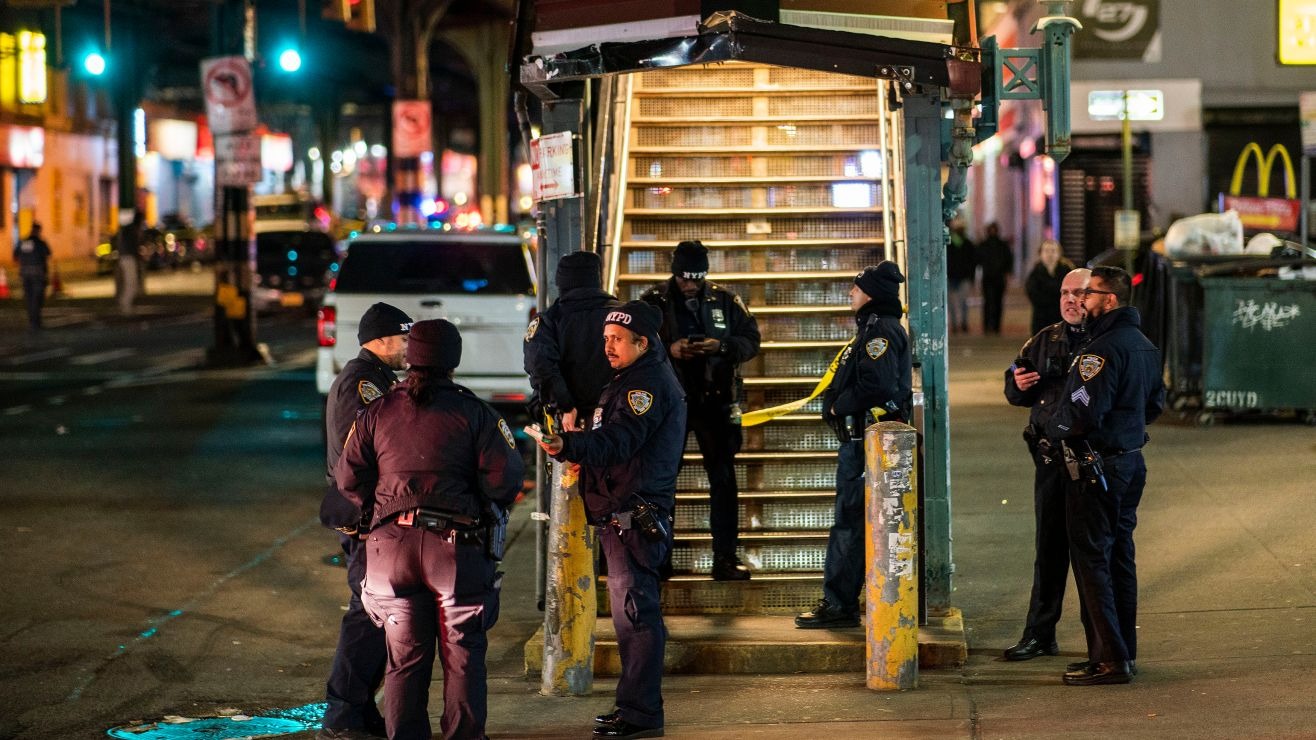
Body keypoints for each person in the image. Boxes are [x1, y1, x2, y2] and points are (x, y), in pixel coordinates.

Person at [336, 319, 524, 739]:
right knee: (462, 653)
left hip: (389, 552)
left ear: (411, 357)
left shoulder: (377, 412)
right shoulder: (475, 413)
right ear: (452, 360)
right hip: (453, 549)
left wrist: (382, 507)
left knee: (403, 660)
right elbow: (505, 481)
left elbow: (349, 480)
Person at [536, 301, 685, 740]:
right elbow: (616, 441)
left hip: (635, 516)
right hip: (620, 512)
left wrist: (571, 447)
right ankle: (634, 707)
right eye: (605, 339)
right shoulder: (629, 380)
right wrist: (586, 453)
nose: (608, 347)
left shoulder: (648, 386)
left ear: (643, 342)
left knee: (636, 617)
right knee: (629, 617)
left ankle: (640, 713)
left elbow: (621, 440)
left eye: (617, 340)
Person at [1046, 266, 1164, 686]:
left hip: (1097, 466)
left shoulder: (1100, 352)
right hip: (1131, 462)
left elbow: (1080, 412)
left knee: (1093, 560)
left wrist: (1052, 427)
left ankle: (1110, 659)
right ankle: (1122, 653)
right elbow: (1156, 404)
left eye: (1089, 294)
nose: (1082, 302)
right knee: (1120, 558)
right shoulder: (1146, 346)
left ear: (1109, 300)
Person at [796, 262, 913, 629]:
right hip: (866, 442)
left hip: (867, 442)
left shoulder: (879, 332)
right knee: (852, 523)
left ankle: (839, 603)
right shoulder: (875, 329)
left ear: (871, 295)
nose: (850, 293)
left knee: (849, 523)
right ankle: (842, 600)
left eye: (856, 288)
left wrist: (836, 404)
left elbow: (876, 386)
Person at [317, 302, 413, 740]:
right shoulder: (363, 384)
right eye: (403, 338)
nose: (408, 346)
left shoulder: (377, 380)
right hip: (366, 518)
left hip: (375, 516)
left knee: (380, 615)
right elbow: (365, 456)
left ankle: (359, 710)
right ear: (380, 339)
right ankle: (342, 714)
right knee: (366, 616)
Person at [641, 240, 761, 580]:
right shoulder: (653, 302)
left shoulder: (725, 299)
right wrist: (668, 349)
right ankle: (659, 558)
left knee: (723, 481)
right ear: (674, 272)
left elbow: (752, 340)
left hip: (716, 401)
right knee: (661, 481)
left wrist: (720, 346)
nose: (690, 284)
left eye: (697, 276)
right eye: (683, 276)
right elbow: (631, 344)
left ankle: (724, 558)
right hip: (669, 404)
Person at [1000, 268, 1091, 662]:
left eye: (1080, 293)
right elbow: (1016, 379)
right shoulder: (1044, 339)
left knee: (1091, 556)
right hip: (1050, 463)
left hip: (1090, 465)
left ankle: (1102, 643)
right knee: (1049, 550)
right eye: (1065, 293)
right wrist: (1016, 385)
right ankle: (1040, 634)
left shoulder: (1104, 341)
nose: (1071, 300)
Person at [524, 250, 621, 431]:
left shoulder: (549, 320)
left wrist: (565, 406)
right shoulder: (624, 316)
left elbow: (540, 367)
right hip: (619, 417)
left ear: (562, 284)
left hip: (572, 422)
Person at [1025, 239, 1075, 335]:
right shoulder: (1036, 272)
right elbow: (1032, 292)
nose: (1050, 254)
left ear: (1059, 253)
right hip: (1041, 316)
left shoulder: (1066, 270)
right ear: (1040, 254)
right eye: (1046, 251)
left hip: (1062, 315)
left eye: (1053, 251)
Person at [976, 222, 1013, 335]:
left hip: (996, 278)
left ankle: (994, 326)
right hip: (990, 277)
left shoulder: (999, 245)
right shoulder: (992, 245)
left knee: (996, 302)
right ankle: (990, 326)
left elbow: (1009, 261)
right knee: (990, 302)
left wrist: (1007, 274)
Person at [14, 223, 51, 331]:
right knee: (37, 299)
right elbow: (48, 253)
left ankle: (32, 322)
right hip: (38, 275)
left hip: (25, 275)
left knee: (29, 298)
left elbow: (16, 255)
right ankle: (36, 322)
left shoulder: (24, 242)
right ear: (38, 231)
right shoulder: (40, 243)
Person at [946, 216, 975, 334]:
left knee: (961, 302)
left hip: (960, 277)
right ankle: (957, 324)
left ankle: (961, 323)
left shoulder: (966, 244)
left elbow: (973, 262)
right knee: (957, 302)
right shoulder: (951, 243)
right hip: (955, 277)